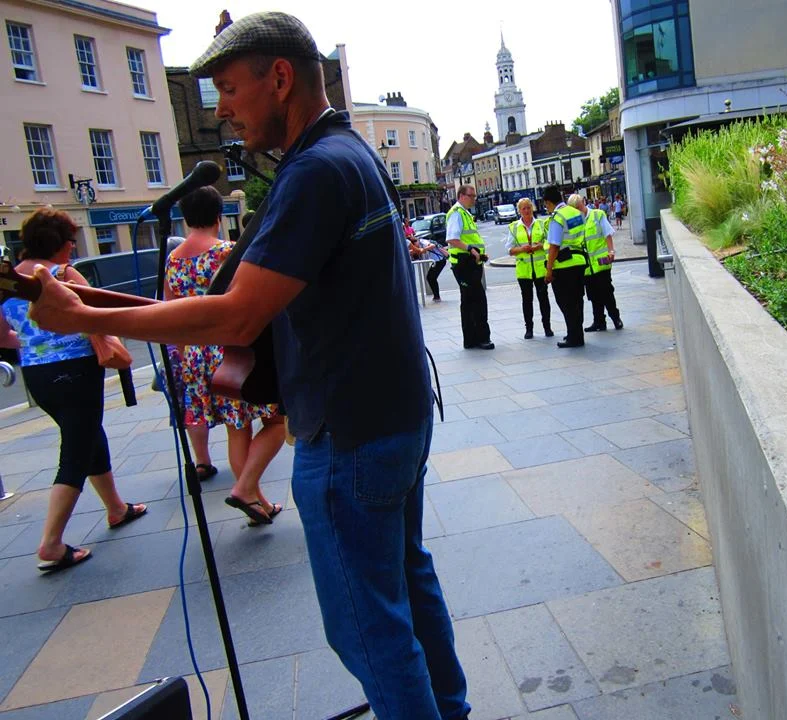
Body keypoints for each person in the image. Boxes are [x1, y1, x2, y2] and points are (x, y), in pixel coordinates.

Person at [27, 12, 470, 720]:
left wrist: (84, 319)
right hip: (393, 416)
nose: (222, 109)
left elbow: (235, 317)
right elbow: (235, 297)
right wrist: (95, 301)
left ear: (282, 78)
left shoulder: (316, 173)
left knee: (366, 627)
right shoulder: (345, 154)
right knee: (408, 587)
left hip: (350, 433)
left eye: (229, 88)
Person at [0, 208, 147, 572]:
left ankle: (116, 508)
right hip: (76, 371)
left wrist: (36, 342)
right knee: (76, 449)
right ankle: (51, 542)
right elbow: (95, 316)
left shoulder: (8, 281)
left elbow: (4, 336)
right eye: (70, 242)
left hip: (36, 374)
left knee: (87, 433)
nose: (72, 249)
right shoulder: (63, 275)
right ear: (58, 244)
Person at [164, 186, 284, 523]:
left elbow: (170, 311)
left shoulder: (173, 260)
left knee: (237, 430)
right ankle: (247, 490)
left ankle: (256, 502)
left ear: (185, 217)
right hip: (233, 350)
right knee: (276, 421)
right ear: (219, 216)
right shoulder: (229, 253)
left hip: (197, 356)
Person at [446, 185, 493, 350]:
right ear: (461, 196)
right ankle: (482, 338)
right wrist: (471, 249)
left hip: (469, 263)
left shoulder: (464, 213)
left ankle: (471, 339)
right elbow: (452, 239)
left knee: (468, 302)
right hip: (464, 264)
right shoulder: (457, 213)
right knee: (478, 300)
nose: (474, 199)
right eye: (471, 196)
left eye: (474, 196)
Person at [542, 185, 588, 348]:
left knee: (565, 302)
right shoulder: (576, 213)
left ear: (548, 202)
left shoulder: (557, 217)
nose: (546, 208)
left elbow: (554, 245)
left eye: (545, 205)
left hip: (563, 265)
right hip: (579, 261)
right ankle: (577, 334)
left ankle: (573, 336)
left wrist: (549, 270)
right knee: (577, 301)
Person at [569, 194, 623, 332]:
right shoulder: (574, 222)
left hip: (601, 262)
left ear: (583, 203)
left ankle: (615, 318)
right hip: (586, 266)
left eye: (579, 207)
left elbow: (607, 234)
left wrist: (611, 251)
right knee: (593, 296)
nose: (577, 210)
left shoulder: (598, 215)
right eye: (574, 208)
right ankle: (599, 321)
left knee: (607, 292)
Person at [504, 197, 552, 339]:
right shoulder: (514, 227)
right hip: (524, 270)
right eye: (523, 208)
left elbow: (550, 243)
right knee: (527, 300)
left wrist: (540, 246)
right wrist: (521, 249)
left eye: (528, 208)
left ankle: (547, 327)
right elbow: (509, 249)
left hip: (540, 269)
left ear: (533, 208)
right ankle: (529, 329)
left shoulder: (542, 224)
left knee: (543, 299)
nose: (526, 211)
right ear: (519, 210)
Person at [410, 233, 449, 303]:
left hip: (439, 260)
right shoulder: (420, 243)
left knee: (431, 278)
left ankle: (437, 297)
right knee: (431, 278)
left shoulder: (422, 241)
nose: (414, 247)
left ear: (415, 242)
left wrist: (423, 249)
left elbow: (432, 245)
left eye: (413, 245)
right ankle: (436, 296)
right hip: (437, 261)